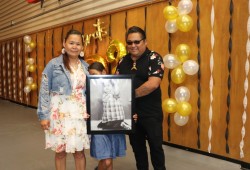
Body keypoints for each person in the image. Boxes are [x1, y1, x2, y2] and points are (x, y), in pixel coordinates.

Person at [37, 29, 90, 170]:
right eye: (71, 43)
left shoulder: (86, 67)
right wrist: (43, 116)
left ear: (82, 47)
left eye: (78, 44)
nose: (74, 46)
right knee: (60, 152)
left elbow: (90, 93)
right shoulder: (53, 65)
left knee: (79, 152)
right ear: (64, 44)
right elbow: (44, 90)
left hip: (79, 114)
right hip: (59, 114)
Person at [115, 26, 166, 170]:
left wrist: (129, 96)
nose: (133, 45)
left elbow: (153, 84)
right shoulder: (122, 61)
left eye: (137, 42)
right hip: (131, 114)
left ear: (145, 42)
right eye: (129, 42)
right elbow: (116, 84)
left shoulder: (154, 58)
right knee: (138, 150)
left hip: (151, 114)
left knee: (156, 148)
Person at [88, 61, 127, 170]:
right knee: (107, 160)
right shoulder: (89, 87)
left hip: (114, 123)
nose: (92, 77)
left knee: (110, 158)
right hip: (98, 127)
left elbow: (124, 98)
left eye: (94, 74)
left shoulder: (116, 83)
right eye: (90, 75)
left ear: (103, 72)